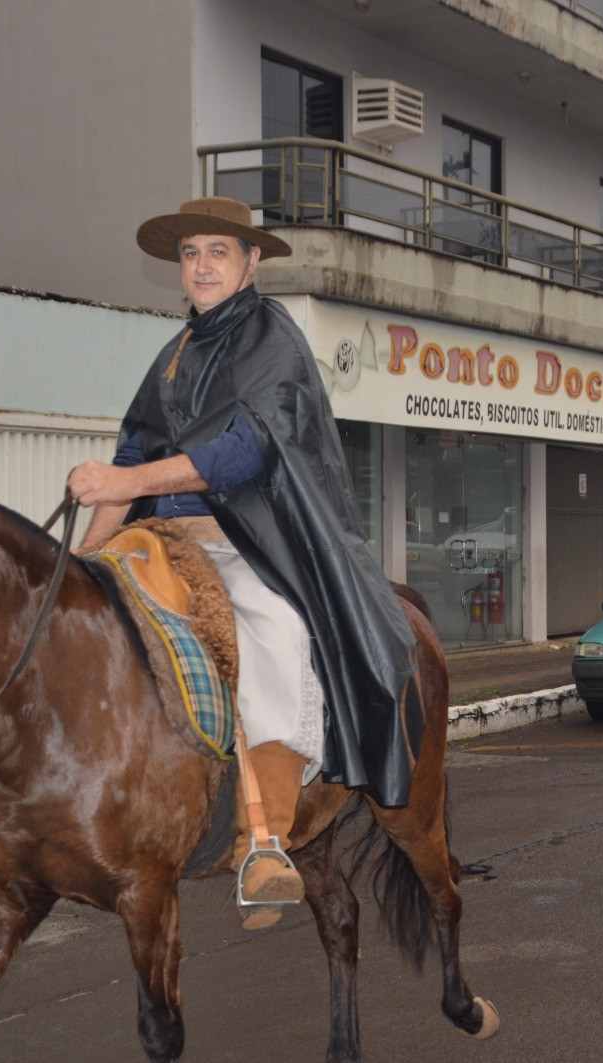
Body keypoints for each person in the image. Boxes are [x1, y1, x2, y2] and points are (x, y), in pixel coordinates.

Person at [60, 195, 425, 928]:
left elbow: (242, 450)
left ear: (251, 261)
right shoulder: (174, 354)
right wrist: (83, 560)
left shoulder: (273, 338)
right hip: (159, 539)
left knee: (274, 637)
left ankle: (266, 839)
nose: (201, 265)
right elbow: (132, 451)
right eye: (191, 253)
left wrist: (129, 483)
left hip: (248, 539)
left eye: (217, 252)